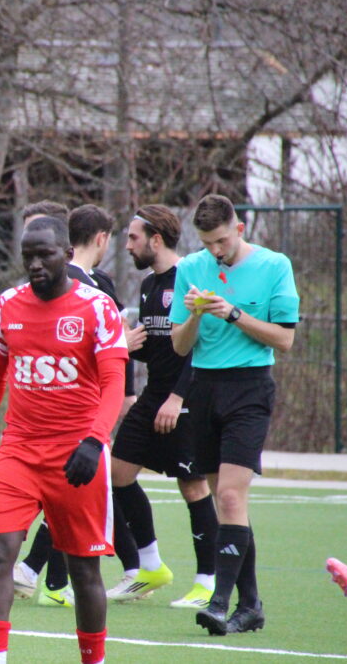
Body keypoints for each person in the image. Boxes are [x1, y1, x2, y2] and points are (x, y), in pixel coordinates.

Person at [0, 215, 128, 663]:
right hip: (19, 451)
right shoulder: (8, 306)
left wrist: (94, 441)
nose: (34, 264)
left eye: (44, 255)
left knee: (83, 570)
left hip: (77, 454)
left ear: (67, 255)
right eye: (27, 256)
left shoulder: (97, 307)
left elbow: (114, 382)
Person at [171, 194, 300, 635]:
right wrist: (194, 316)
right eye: (207, 243)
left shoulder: (274, 265)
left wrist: (232, 313)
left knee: (229, 497)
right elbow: (180, 346)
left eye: (221, 241)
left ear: (239, 229)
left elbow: (284, 340)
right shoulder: (191, 268)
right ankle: (252, 606)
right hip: (204, 389)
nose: (215, 251)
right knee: (229, 504)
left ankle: (219, 603)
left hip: (250, 387)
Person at [12, 204, 139, 608]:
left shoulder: (94, 291)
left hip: (84, 429)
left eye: (42, 246)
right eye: (28, 248)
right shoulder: (22, 298)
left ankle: (50, 576)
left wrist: (114, 408)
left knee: (89, 499)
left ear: (64, 244)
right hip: (33, 439)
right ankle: (48, 577)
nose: (34, 260)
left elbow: (113, 360)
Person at [106, 205, 219, 608]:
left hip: (186, 398)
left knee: (193, 485)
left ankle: (207, 582)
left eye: (133, 237)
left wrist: (178, 397)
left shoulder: (189, 278)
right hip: (154, 394)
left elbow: (200, 347)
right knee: (117, 474)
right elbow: (158, 347)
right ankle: (151, 566)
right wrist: (124, 344)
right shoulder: (148, 285)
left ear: (155, 240)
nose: (127, 245)